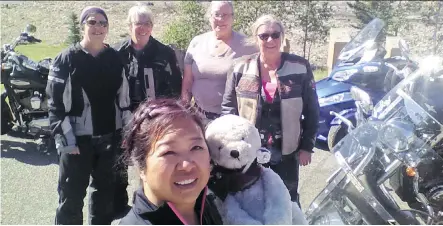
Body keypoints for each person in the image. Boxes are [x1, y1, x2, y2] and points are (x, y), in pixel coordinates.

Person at [221, 14, 320, 206]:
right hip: (249, 152)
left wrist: (307, 146)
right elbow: (228, 109)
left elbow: (312, 109)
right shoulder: (240, 67)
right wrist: (232, 146)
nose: (270, 40)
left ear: (282, 37)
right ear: (255, 38)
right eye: (264, 35)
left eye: (275, 35)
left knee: (287, 201)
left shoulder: (300, 67)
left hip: (287, 153)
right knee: (250, 199)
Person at [46, 6, 131, 225]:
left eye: (103, 23)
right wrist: (67, 141)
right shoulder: (66, 59)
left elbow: (124, 100)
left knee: (104, 199)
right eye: (92, 22)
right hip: (76, 142)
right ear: (83, 25)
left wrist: (126, 135)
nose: (98, 27)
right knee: (71, 200)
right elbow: (55, 105)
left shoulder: (114, 57)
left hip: (109, 140)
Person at [113, 3, 183, 216]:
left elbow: (175, 87)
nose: (142, 28)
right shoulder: (116, 52)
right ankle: (120, 208)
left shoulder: (165, 52)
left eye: (147, 23)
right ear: (129, 25)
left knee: (152, 162)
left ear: (152, 26)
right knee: (121, 163)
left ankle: (151, 206)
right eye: (137, 23)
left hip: (154, 120)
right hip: (123, 117)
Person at [119, 99, 223, 225]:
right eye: (169, 152)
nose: (187, 165)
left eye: (196, 147)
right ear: (141, 166)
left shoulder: (207, 202)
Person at [181, 1, 257, 121]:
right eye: (216, 14)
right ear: (210, 17)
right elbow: (188, 80)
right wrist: (184, 110)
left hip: (230, 117)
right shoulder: (197, 42)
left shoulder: (248, 46)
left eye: (226, 15)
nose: (221, 19)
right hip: (198, 115)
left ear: (233, 18)